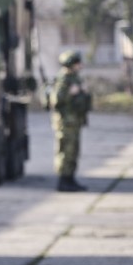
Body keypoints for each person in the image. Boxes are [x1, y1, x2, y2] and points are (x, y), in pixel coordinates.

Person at [51, 50, 91, 192]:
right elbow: (56, 100)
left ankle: (70, 179)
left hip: (74, 122)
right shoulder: (63, 79)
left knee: (73, 151)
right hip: (65, 123)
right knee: (65, 152)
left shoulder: (74, 78)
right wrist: (70, 93)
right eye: (77, 63)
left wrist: (83, 92)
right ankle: (63, 181)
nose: (80, 65)